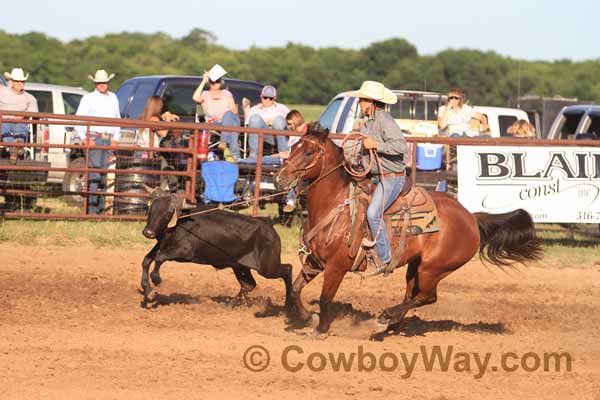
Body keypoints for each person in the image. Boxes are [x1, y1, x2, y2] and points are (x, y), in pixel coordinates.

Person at [348, 81, 408, 276]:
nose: (359, 103)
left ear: (372, 102)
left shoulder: (385, 121)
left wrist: (376, 145)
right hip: (375, 176)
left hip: (391, 178)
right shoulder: (368, 123)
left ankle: (385, 259)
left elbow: (400, 147)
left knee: (373, 213)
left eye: (362, 100)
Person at [75, 69, 121, 214]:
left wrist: (115, 138)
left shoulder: (113, 97)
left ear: (108, 83)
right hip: (95, 137)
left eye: (104, 82)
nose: (102, 85)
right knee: (95, 174)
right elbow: (79, 120)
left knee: (104, 176)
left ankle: (100, 209)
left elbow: (117, 119)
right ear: (95, 83)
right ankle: (92, 210)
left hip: (108, 139)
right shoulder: (88, 98)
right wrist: (84, 138)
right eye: (99, 83)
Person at [192, 64, 241, 161]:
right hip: (214, 122)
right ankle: (235, 155)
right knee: (234, 125)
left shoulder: (226, 93)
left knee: (229, 116)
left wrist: (224, 115)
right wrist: (203, 81)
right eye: (212, 81)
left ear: (221, 82)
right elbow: (195, 98)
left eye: (217, 81)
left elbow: (234, 110)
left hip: (228, 119)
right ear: (209, 82)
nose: (215, 83)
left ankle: (223, 142)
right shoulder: (205, 94)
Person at [245, 85, 290, 159]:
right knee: (255, 119)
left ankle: (283, 154)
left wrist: (274, 121)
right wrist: (246, 110)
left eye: (271, 98)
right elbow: (247, 124)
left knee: (278, 121)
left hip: (280, 134)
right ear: (261, 97)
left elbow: (292, 121)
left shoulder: (282, 108)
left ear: (275, 98)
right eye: (265, 97)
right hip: (264, 135)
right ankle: (253, 155)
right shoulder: (254, 109)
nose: (267, 100)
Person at [278, 110, 307, 213]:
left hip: (297, 162)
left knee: (291, 174)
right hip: (290, 159)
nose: (289, 126)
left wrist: (287, 155)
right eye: (288, 124)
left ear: (296, 120)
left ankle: (290, 201)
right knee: (267, 158)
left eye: (290, 124)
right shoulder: (295, 133)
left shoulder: (304, 132)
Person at [0, 67, 38, 144]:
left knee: (20, 127)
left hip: (20, 122)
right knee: (5, 126)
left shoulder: (30, 98)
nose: (20, 83)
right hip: (3, 121)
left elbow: (34, 113)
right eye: (17, 81)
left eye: (22, 81)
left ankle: (13, 146)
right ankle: (16, 146)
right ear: (11, 82)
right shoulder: (2, 91)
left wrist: (20, 117)